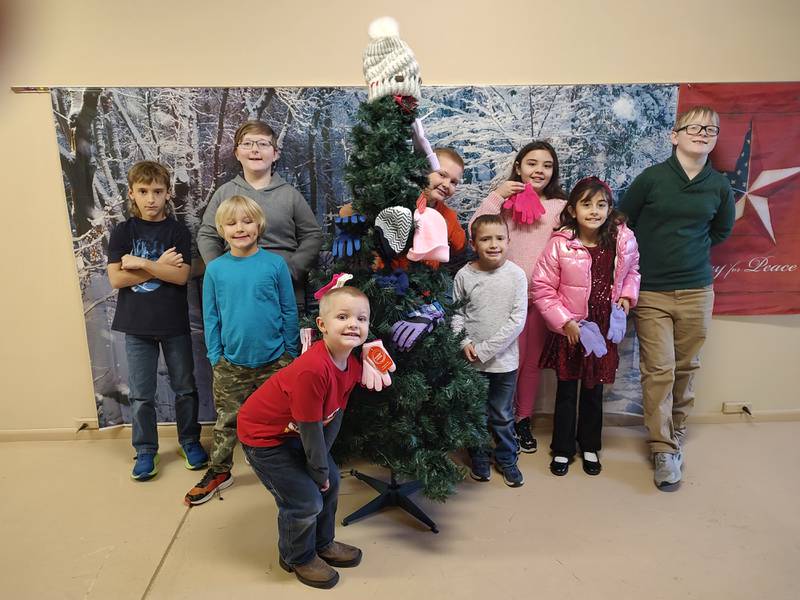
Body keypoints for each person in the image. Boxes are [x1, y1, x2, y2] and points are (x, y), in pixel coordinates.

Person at [619, 106, 735, 491]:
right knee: (660, 370)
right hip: (651, 291)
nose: (703, 133)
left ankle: (677, 428)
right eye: (695, 127)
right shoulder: (651, 180)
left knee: (687, 368)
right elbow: (623, 223)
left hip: (697, 291)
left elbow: (720, 232)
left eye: (711, 129)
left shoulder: (718, 186)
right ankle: (663, 448)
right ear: (675, 135)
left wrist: (689, 251)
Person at [238, 286, 371, 590]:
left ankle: (323, 544)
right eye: (343, 316)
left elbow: (335, 415)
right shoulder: (313, 370)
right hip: (265, 439)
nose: (353, 324)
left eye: (361, 318)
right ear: (322, 325)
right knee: (305, 500)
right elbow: (310, 427)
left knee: (333, 482)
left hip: (296, 433)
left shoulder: (351, 364)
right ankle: (297, 556)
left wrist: (324, 467)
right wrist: (318, 470)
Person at [185, 196, 299, 505]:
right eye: (232, 223)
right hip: (230, 362)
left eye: (247, 221)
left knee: (281, 418)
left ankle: (284, 468)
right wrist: (215, 356)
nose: (240, 228)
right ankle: (220, 470)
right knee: (227, 420)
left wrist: (290, 354)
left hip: (276, 360)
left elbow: (289, 310)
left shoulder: (275, 264)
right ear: (221, 229)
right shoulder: (216, 270)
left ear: (259, 224)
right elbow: (211, 316)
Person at [106, 160, 207, 481]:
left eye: (158, 192)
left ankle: (189, 441)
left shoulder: (177, 231)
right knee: (141, 393)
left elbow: (180, 276)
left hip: (173, 324)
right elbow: (116, 280)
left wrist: (139, 263)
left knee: (185, 387)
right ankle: (146, 450)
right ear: (132, 194)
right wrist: (158, 264)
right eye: (143, 191)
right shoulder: (123, 231)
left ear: (167, 194)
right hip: (136, 326)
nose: (151, 199)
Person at [533, 177, 640, 476]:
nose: (594, 211)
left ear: (609, 208)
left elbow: (633, 271)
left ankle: (590, 445)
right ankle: (563, 449)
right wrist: (563, 321)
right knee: (567, 390)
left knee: (594, 390)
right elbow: (542, 287)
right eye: (587, 204)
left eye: (601, 204)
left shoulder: (623, 240)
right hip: (573, 329)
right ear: (573, 209)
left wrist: (628, 297)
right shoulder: (561, 244)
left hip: (604, 329)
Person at [469, 141, 567, 452]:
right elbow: (476, 228)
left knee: (531, 363)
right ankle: (501, 419)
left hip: (540, 297)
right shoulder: (505, 204)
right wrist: (497, 195)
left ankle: (523, 418)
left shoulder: (558, 206)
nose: (539, 170)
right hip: (504, 295)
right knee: (505, 360)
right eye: (532, 163)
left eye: (547, 165)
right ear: (519, 167)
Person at [196, 120, 323, 307]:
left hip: (282, 290)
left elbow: (313, 235)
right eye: (247, 143)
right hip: (235, 289)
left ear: (275, 154)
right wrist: (221, 271)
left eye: (263, 144)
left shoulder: (290, 195)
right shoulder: (224, 194)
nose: (255, 150)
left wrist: (290, 271)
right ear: (237, 153)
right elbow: (207, 234)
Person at [452, 214, 528, 487]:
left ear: (508, 241)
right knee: (476, 412)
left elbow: (516, 321)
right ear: (474, 243)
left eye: (499, 238)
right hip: (472, 363)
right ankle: (479, 457)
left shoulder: (516, 275)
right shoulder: (464, 275)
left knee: (502, 414)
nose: (493, 244)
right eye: (485, 239)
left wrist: (484, 349)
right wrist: (464, 343)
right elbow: (457, 314)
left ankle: (507, 458)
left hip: (504, 364)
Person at [418, 147, 468, 271]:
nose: (446, 184)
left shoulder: (448, 215)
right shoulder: (403, 202)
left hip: (427, 283)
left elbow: (460, 246)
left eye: (453, 182)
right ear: (425, 171)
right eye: (442, 175)